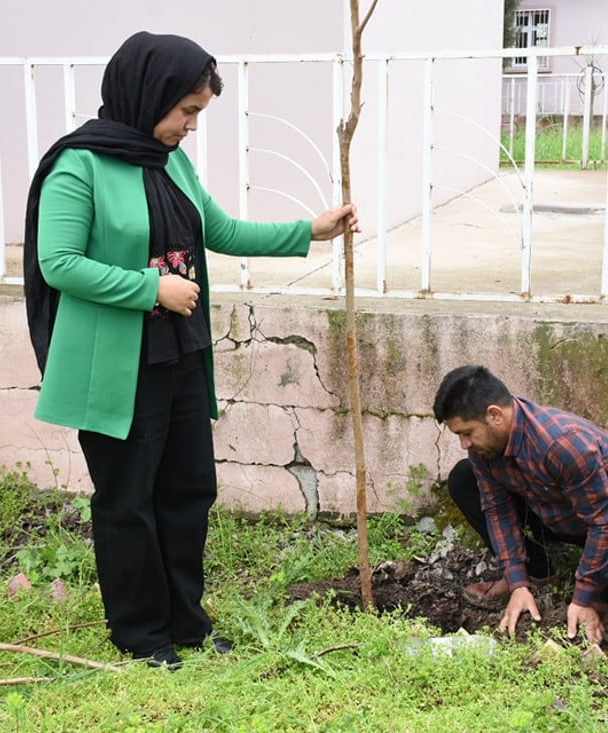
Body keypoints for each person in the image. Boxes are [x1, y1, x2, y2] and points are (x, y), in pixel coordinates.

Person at [23, 31, 359, 671]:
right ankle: (141, 634)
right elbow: (59, 263)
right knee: (128, 502)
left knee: (188, 491)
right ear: (147, 95)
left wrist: (309, 230)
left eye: (198, 113)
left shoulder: (170, 160)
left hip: (179, 353)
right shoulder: (80, 165)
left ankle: (187, 621)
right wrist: (151, 287)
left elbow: (221, 229)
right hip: (115, 367)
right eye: (186, 111)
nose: (191, 126)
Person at [432, 365, 608, 644]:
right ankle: (537, 572)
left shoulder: (564, 444)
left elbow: (604, 521)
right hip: (558, 512)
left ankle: (600, 601)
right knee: (463, 478)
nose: (464, 444)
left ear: (494, 415)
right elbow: (498, 510)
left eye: (467, 432)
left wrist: (584, 596)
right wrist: (517, 582)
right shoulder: (485, 447)